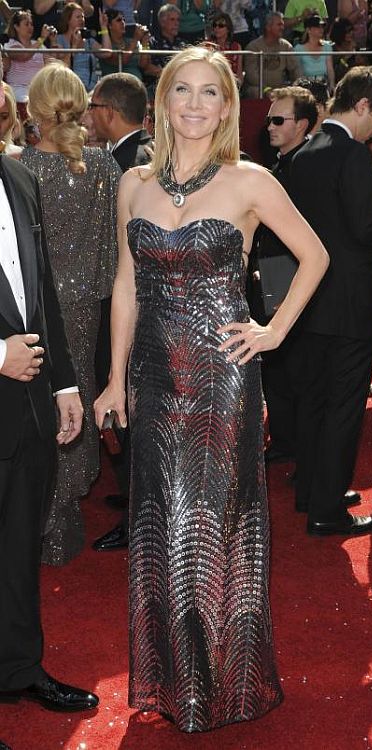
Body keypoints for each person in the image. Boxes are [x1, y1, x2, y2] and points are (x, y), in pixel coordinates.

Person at [94, 45, 329, 733]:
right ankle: (177, 680)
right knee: (159, 520)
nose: (194, 104)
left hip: (223, 377)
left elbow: (315, 255)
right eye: (182, 90)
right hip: (153, 376)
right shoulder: (133, 183)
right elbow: (126, 284)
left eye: (209, 92)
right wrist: (114, 379)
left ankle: (225, 682)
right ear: (163, 101)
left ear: (227, 107)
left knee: (213, 523)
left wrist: (273, 331)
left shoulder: (248, 180)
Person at [288, 65, 372, 536]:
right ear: (363, 105)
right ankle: (327, 511)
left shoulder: (304, 152)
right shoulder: (351, 154)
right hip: (350, 304)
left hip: (310, 300)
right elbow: (366, 227)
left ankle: (311, 490)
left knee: (314, 400)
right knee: (344, 407)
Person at [0, 86, 99, 712]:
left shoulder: (19, 176)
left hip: (30, 405)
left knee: (18, 550)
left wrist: (64, 382)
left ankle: (17, 668)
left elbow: (42, 296)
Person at [21, 63, 121, 565]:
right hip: (82, 305)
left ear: (33, 109)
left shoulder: (19, 168)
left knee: (30, 399)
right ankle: (60, 518)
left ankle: (38, 516)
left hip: (28, 307)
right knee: (75, 390)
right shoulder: (103, 166)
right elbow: (115, 246)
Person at [89, 72, 152, 553]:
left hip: (137, 309)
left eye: (92, 107)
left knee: (130, 411)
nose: (89, 116)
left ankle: (139, 517)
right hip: (125, 302)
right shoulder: (130, 158)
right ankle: (134, 496)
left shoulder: (136, 165)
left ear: (108, 111)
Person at [248, 86, 318, 464]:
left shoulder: (309, 167)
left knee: (298, 367)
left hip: (295, 281)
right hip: (269, 280)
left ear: (302, 125)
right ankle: (285, 439)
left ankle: (301, 448)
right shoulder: (275, 168)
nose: (270, 127)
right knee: (277, 368)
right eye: (268, 120)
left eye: (279, 120)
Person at [3, 10, 58, 121]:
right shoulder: (10, 44)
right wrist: (41, 39)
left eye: (31, 24)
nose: (30, 27)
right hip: (18, 92)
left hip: (37, 92)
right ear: (16, 27)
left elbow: (52, 63)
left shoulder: (37, 44)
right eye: (26, 24)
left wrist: (53, 41)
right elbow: (24, 56)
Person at [56, 3, 112, 92]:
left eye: (82, 17)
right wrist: (74, 46)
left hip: (90, 90)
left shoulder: (89, 41)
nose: (82, 20)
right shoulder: (59, 39)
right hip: (71, 89)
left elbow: (107, 53)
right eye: (78, 17)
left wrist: (104, 27)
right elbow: (63, 66)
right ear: (68, 20)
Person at [243, 12, 300, 98]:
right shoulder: (253, 47)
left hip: (280, 88)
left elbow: (295, 69)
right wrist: (267, 90)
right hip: (260, 88)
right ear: (268, 27)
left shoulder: (286, 46)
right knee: (255, 91)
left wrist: (299, 86)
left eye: (282, 25)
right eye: (279, 25)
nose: (282, 28)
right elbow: (252, 76)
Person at [99, 9, 152, 82]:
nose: (123, 23)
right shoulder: (106, 45)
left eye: (124, 20)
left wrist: (144, 43)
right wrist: (136, 39)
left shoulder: (129, 41)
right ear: (110, 25)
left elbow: (143, 65)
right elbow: (122, 61)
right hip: (115, 85)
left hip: (136, 83)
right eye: (119, 20)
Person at [294, 15, 335, 93]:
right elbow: (298, 72)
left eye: (322, 27)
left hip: (324, 86)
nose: (321, 29)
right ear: (308, 30)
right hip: (306, 88)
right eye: (317, 27)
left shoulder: (327, 47)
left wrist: (332, 85)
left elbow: (330, 69)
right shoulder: (298, 49)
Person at [209, 12, 243, 85]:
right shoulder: (207, 45)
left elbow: (239, 73)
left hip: (231, 84)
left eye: (221, 26)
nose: (216, 28)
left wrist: (237, 86)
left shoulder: (236, 46)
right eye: (215, 25)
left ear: (228, 29)